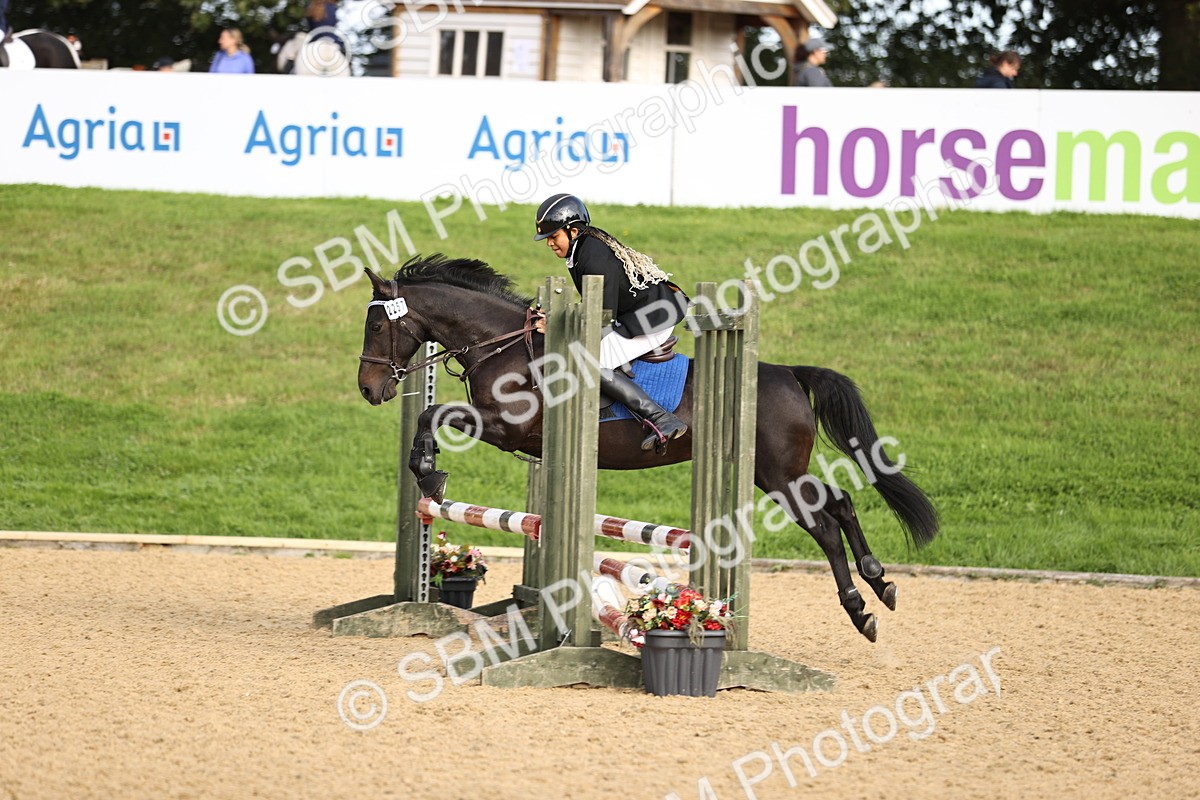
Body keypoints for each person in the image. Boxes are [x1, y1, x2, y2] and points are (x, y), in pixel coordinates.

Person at [534, 194, 690, 452]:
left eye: (553, 236)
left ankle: (662, 418)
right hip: (639, 313)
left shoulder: (592, 254)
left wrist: (556, 325)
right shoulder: (582, 249)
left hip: (651, 319)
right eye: (547, 239)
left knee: (592, 361)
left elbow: (601, 315)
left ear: (573, 231)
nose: (550, 243)